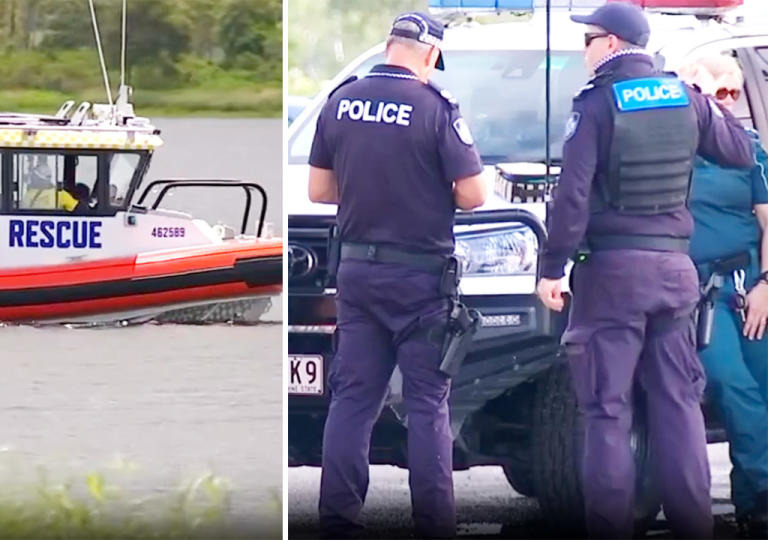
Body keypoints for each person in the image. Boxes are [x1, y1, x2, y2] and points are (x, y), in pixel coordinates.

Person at [535, 3, 755, 538]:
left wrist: (551, 267)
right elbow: (740, 153)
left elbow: (572, 196)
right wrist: (699, 99)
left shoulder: (595, 103)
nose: (583, 50)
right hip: (675, 274)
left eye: (587, 40)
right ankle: (693, 525)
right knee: (678, 403)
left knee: (607, 409)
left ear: (611, 43)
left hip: (611, 275)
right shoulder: (684, 96)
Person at [307, 11, 487, 538]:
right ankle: (434, 525)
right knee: (427, 403)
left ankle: (337, 520)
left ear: (389, 47)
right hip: (420, 278)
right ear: (429, 55)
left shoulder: (341, 101)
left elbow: (319, 190)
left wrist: (371, 190)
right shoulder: (435, 108)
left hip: (359, 272)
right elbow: (474, 195)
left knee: (354, 398)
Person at [679, 56, 768, 538]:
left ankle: (752, 504)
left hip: (749, 281)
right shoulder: (670, 150)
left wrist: (766, 285)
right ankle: (764, 488)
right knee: (734, 386)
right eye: (710, 94)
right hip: (696, 289)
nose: (721, 104)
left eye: (730, 94)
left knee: (762, 388)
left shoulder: (750, 149)